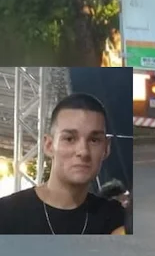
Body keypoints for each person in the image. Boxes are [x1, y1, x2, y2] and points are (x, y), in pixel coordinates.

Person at [0, 93, 126, 235]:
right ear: (48, 145)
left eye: (94, 140)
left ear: (106, 148)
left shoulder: (115, 219)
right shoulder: (7, 214)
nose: (83, 152)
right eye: (70, 138)